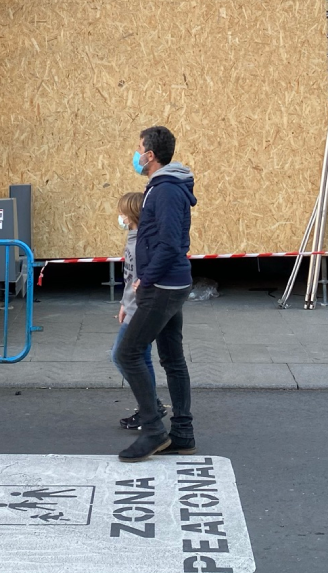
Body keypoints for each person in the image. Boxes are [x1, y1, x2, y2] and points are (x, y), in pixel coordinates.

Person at [114, 126, 197, 462]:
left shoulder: (163, 190)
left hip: (161, 287)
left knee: (127, 354)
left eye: (139, 149)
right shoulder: (165, 188)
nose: (136, 154)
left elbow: (168, 242)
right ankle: (183, 434)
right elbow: (176, 240)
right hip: (172, 283)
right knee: (172, 360)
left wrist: (145, 278)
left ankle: (153, 430)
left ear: (150, 155)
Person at [113, 192, 166, 431]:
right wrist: (124, 303)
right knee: (141, 358)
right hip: (133, 307)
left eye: (122, 212)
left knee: (121, 355)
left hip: (141, 311)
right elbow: (129, 278)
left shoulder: (141, 243)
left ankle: (150, 408)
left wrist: (132, 304)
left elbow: (142, 277)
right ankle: (151, 406)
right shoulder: (133, 238)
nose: (119, 216)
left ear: (132, 215)